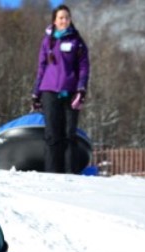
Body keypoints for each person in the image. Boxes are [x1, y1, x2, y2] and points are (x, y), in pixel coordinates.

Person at [31, 4, 90, 174]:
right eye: (61, 18)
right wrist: (36, 93)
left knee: (69, 134)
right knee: (51, 135)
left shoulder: (77, 41)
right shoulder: (47, 41)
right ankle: (52, 173)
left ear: (70, 20)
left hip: (71, 93)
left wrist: (81, 90)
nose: (64, 20)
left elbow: (84, 68)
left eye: (67, 17)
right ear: (54, 21)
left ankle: (70, 173)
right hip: (49, 91)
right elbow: (41, 68)